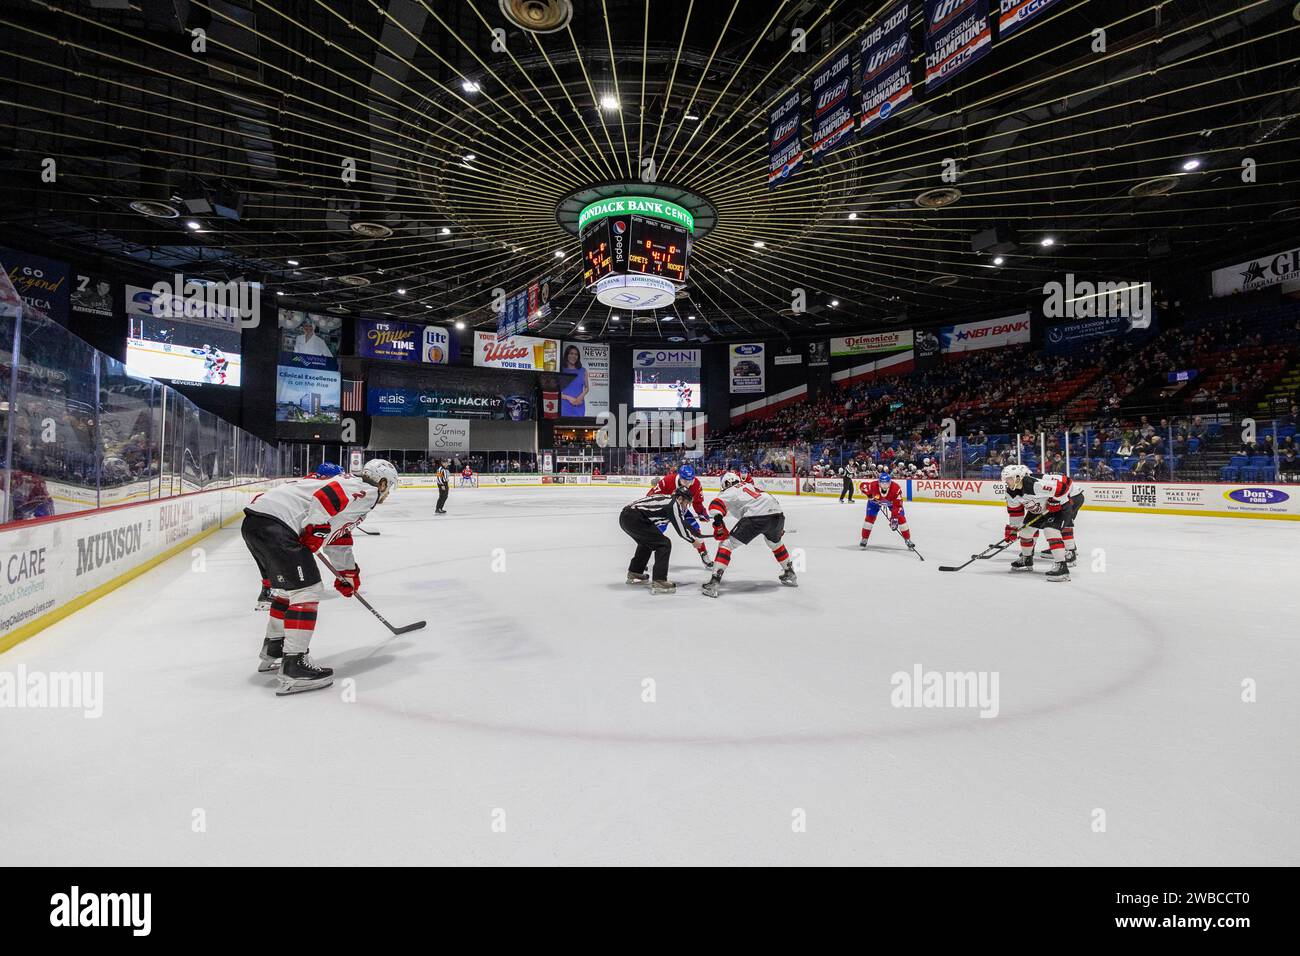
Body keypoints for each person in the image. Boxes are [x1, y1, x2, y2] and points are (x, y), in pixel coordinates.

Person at [240, 459, 398, 694]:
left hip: (255, 523)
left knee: (288, 591)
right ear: (383, 483)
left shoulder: (348, 485)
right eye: (389, 488)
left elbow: (337, 539)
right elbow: (327, 498)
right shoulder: (367, 491)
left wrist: (347, 573)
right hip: (278, 526)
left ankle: (275, 647)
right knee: (307, 591)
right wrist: (315, 528)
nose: (385, 495)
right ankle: (294, 667)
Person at [252, 461, 345, 610]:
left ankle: (270, 592)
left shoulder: (304, 481)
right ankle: (286, 593)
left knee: (266, 559)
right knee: (288, 560)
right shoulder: (322, 487)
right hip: (279, 523)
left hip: (254, 516)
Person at [701, 472, 796, 598]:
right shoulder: (749, 485)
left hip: (756, 516)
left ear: (726, 483)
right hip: (777, 514)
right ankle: (789, 572)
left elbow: (715, 505)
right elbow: (767, 502)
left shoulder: (728, 491)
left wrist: (718, 524)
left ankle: (714, 582)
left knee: (727, 544)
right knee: (774, 543)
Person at [1002, 464, 1084, 582]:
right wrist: (1014, 528)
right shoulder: (1010, 493)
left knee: (1050, 531)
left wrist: (1055, 501)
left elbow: (1063, 487)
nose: (1006, 482)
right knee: (1025, 532)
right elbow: (1016, 512)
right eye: (1005, 479)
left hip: (1060, 506)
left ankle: (1062, 567)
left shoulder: (1035, 484)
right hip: (1040, 507)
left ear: (1018, 478)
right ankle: (1027, 559)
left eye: (1009, 479)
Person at [619, 483, 700, 595]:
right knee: (664, 544)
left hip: (626, 517)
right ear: (680, 498)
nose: (686, 506)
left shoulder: (668, 500)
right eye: (686, 503)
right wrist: (693, 540)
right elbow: (680, 528)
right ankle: (659, 580)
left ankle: (635, 572)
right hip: (634, 518)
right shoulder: (673, 504)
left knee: (647, 542)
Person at [649, 463, 714, 568]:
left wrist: (701, 512)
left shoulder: (696, 484)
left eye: (690, 481)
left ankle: (704, 554)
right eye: (685, 481)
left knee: (696, 530)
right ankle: (644, 557)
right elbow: (650, 496)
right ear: (679, 477)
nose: (688, 484)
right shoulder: (668, 481)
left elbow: (697, 502)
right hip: (664, 511)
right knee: (656, 532)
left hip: (681, 511)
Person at [858, 470, 916, 552]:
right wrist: (869, 495)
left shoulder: (896, 488)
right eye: (882, 483)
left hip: (891, 504)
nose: (884, 485)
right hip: (875, 503)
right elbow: (862, 485)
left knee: (901, 519)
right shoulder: (873, 485)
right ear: (879, 483)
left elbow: (897, 505)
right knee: (869, 519)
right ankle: (864, 538)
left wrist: (894, 519)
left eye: (886, 483)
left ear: (890, 482)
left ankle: (908, 540)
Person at [559, 344, 588, 416]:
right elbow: (555, 391)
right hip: (564, 405)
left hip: (579, 404)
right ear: (566, 355)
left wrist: (580, 398)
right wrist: (569, 398)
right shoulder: (560, 370)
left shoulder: (583, 370)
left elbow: (587, 387)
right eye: (571, 353)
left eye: (576, 354)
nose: (574, 356)